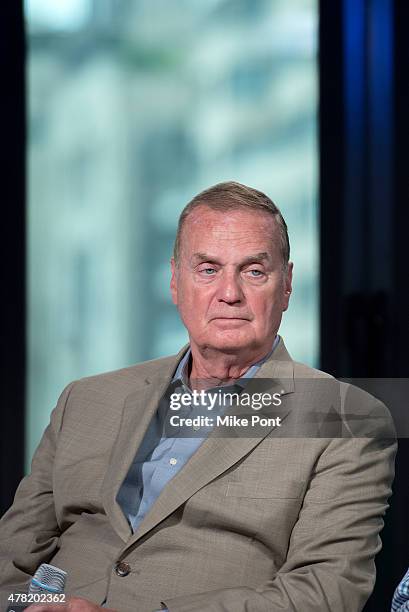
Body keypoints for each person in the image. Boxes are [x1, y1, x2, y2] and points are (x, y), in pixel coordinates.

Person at [0, 182, 396, 612]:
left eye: (253, 271)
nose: (230, 293)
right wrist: (24, 606)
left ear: (286, 287)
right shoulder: (86, 398)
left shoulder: (347, 419)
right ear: (175, 283)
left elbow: (324, 592)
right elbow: (12, 562)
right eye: (208, 269)